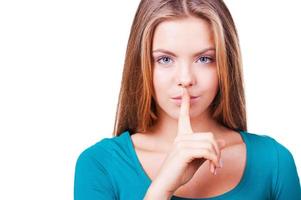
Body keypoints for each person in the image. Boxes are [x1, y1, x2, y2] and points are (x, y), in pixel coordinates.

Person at [74, 0, 301, 199]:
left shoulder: (273, 161)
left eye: (204, 59)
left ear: (225, 64)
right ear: (142, 65)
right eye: (164, 59)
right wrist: (162, 188)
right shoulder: (99, 164)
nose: (185, 79)